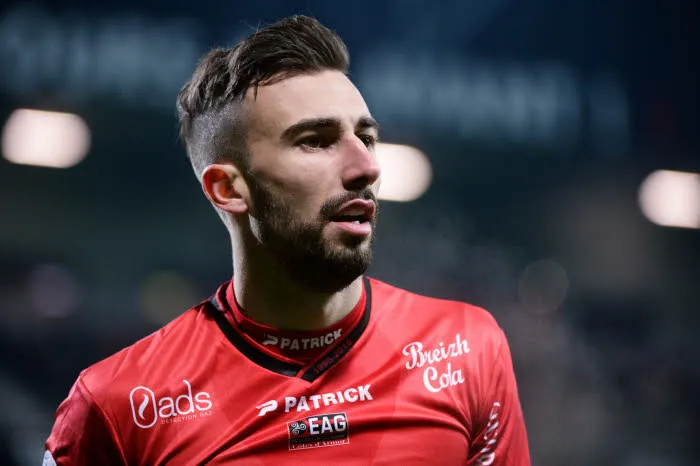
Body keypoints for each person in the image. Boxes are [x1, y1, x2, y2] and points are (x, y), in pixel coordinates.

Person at [44, 15, 530, 465]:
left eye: (366, 137)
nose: (366, 167)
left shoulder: (465, 348)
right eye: (315, 141)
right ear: (228, 189)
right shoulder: (117, 406)